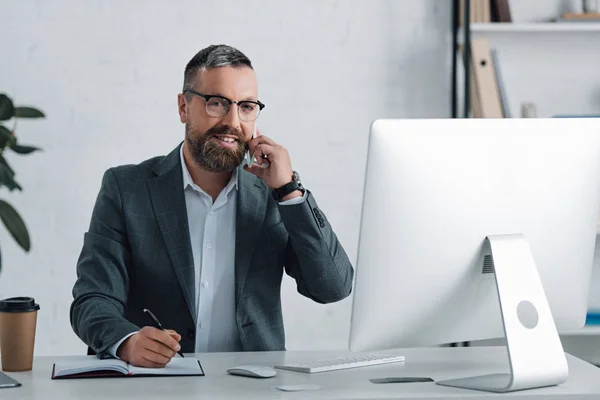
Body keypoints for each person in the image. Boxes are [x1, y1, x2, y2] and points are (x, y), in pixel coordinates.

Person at [70, 44, 354, 368]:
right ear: (183, 107)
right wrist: (127, 342)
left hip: (251, 387)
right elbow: (92, 301)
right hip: (160, 384)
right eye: (217, 103)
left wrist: (290, 191)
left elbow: (333, 287)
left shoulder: (273, 195)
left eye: (246, 106)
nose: (233, 121)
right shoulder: (126, 189)